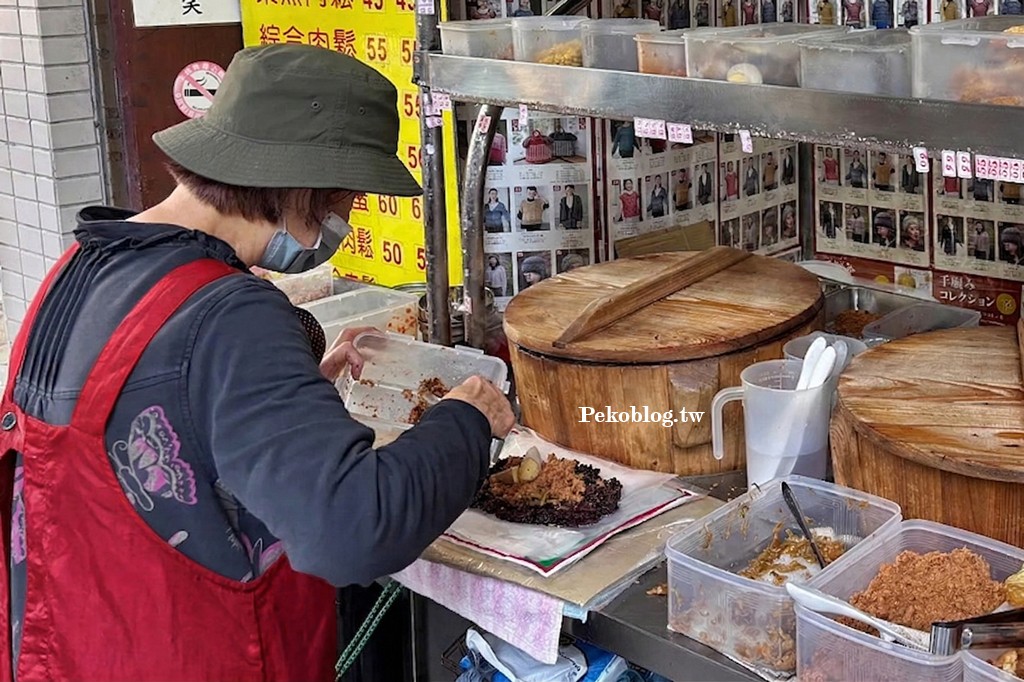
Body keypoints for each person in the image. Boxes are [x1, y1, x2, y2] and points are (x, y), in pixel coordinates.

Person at [0, 44, 516, 681]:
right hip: (199, 654)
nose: (341, 224)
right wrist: (464, 420)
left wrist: (297, 386)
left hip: (69, 649)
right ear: (301, 182)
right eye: (344, 201)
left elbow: (164, 425)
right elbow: (354, 529)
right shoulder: (233, 314)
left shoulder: (84, 264)